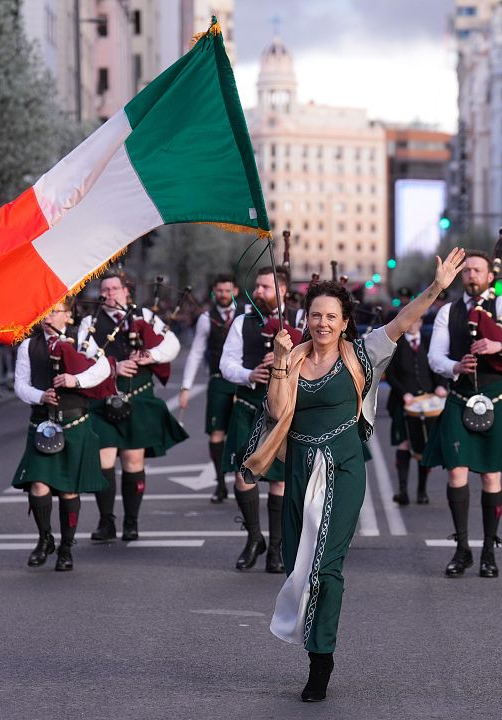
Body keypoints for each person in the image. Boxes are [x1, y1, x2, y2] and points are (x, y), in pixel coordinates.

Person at [241, 248, 466, 702]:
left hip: (343, 468)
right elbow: (276, 411)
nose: (322, 323)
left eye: (331, 316)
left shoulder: (363, 353)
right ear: (305, 318)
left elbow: (403, 320)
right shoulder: (292, 356)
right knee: (298, 565)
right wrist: (281, 361)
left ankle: (320, 659)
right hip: (300, 468)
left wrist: (437, 287)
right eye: (315, 315)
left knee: (327, 566)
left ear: (346, 321)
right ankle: (314, 642)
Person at [423, 251, 502, 579]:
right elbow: (435, 357)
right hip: (460, 396)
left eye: (477, 270)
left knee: (490, 475)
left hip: (496, 397)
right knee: (456, 472)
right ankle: (462, 549)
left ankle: (488, 550)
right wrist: (455, 366)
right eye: (467, 270)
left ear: (490, 277)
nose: (471, 275)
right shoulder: (448, 311)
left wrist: (497, 346)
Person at [78, 272, 188, 542]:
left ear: (126, 291)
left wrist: (151, 355)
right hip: (104, 399)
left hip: (138, 395)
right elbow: (84, 356)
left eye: (115, 288)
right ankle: (106, 522)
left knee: (133, 459)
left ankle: (131, 522)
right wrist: (114, 367)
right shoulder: (89, 322)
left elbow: (171, 344)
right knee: (104, 459)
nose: (110, 293)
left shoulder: (146, 316)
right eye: (105, 289)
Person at [12, 302, 111, 570]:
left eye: (55, 311)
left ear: (68, 315)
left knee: (68, 490)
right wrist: (39, 395)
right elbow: (20, 384)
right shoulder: (29, 345)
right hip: (42, 423)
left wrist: (75, 381)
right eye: (44, 311)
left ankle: (66, 547)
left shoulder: (82, 339)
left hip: (74, 421)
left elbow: (102, 370)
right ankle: (45, 538)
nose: (48, 317)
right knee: (38, 485)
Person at [220, 265, 300, 574]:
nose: (258, 292)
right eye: (257, 286)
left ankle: (276, 548)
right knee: (243, 475)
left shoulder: (300, 320)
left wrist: (286, 361)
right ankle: (254, 538)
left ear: (283, 291)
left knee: (279, 480)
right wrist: (249, 374)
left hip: (281, 410)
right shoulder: (242, 321)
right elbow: (226, 363)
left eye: (265, 287)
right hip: (248, 403)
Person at [179, 273, 243, 503]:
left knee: (241, 433)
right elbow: (196, 352)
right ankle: (219, 483)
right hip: (217, 380)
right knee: (216, 433)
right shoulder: (207, 318)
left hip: (242, 382)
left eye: (227, 290)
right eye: (219, 291)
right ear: (214, 292)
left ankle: (241, 482)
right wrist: (185, 387)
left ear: (235, 291)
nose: (223, 295)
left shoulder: (246, 315)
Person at [385, 315, 448, 505]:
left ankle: (422, 491)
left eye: (416, 321)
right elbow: (391, 375)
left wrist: (441, 386)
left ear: (421, 323)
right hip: (403, 403)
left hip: (427, 403)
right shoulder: (397, 345)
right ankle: (403, 491)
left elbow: (439, 367)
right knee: (404, 444)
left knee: (423, 446)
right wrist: (404, 393)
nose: (412, 324)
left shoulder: (429, 343)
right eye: (410, 321)